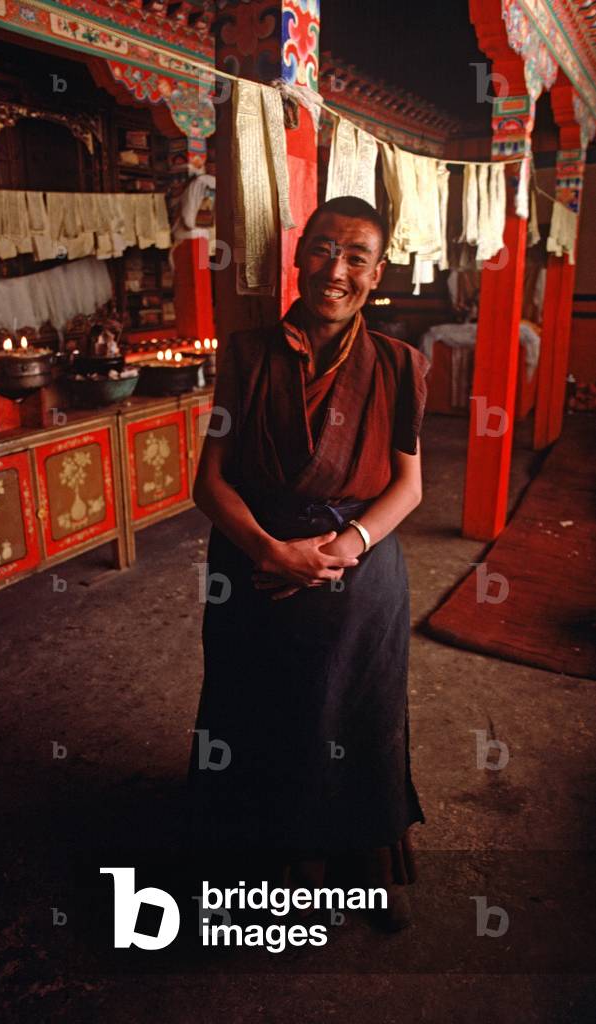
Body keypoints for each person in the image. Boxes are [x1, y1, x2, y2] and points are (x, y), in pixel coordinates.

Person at [188, 196, 429, 931]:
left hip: (355, 572)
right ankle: (271, 867)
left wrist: (345, 546)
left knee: (357, 715)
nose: (336, 269)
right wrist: (271, 551)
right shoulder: (246, 354)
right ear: (297, 256)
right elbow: (209, 480)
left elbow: (407, 484)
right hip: (254, 563)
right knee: (257, 713)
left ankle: (361, 861)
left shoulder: (398, 364)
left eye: (356, 256)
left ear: (377, 273)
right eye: (323, 249)